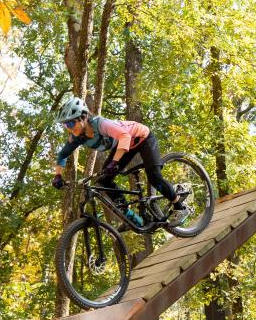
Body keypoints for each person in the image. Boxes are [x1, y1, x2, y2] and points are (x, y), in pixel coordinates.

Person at [51, 96, 188, 228]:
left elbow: (124, 135)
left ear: (83, 117)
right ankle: (130, 216)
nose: (68, 128)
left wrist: (115, 162)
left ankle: (179, 207)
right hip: (124, 146)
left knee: (153, 176)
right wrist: (57, 176)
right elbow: (63, 154)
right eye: (65, 125)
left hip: (142, 138)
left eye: (70, 123)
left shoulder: (100, 124)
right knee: (104, 180)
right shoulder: (77, 137)